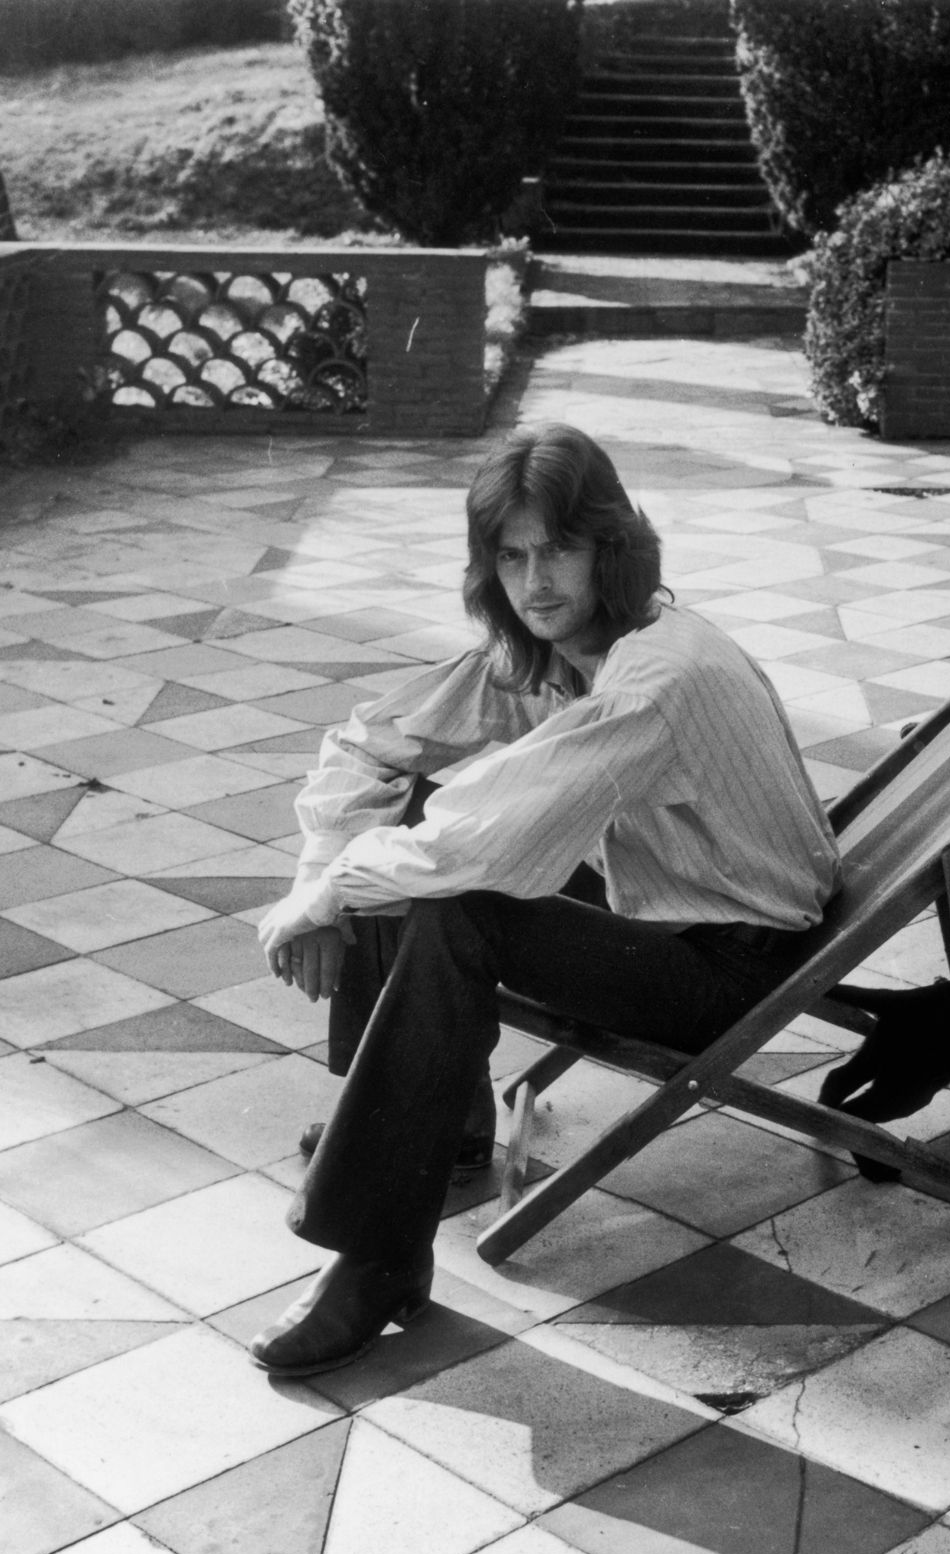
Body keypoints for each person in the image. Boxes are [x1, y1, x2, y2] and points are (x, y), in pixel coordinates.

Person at [251, 421, 840, 1376]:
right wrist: (320, 875)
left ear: (612, 546)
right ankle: (423, 1127)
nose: (536, 582)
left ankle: (378, 1255)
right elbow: (372, 745)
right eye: (512, 556)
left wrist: (324, 897)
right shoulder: (558, 648)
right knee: (403, 830)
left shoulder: (657, 678)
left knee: (449, 891)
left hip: (729, 967)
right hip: (656, 904)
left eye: (559, 548)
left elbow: (483, 841)